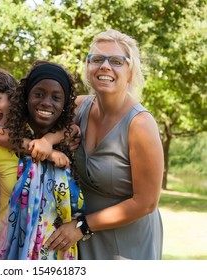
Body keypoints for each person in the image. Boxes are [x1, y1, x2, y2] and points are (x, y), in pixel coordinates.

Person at [46, 29, 164, 259]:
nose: (105, 66)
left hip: (128, 243)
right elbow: (41, 132)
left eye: (117, 61)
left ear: (130, 73)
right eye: (97, 59)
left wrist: (82, 226)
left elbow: (146, 203)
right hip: (81, 238)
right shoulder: (78, 107)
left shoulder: (140, 124)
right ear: (88, 69)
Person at [0, 67, 77, 259]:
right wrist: (46, 151)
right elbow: (8, 142)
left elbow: (71, 128)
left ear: (14, 98)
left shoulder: (35, 122)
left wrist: (48, 141)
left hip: (49, 231)